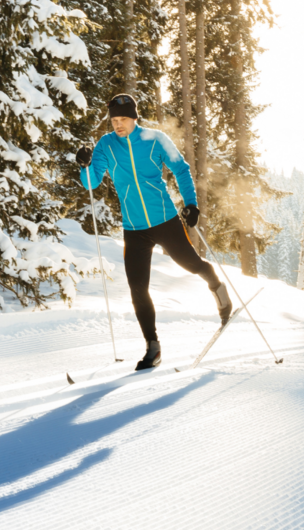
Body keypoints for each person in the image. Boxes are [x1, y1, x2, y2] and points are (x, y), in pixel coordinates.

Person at [76, 93, 232, 371]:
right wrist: (84, 165)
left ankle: (215, 283)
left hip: (165, 220)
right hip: (134, 229)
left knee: (191, 264)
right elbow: (91, 182)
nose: (118, 125)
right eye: (113, 120)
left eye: (123, 119)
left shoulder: (156, 139)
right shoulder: (106, 145)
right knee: (138, 289)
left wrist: (191, 204)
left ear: (134, 118)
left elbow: (181, 170)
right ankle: (153, 346)